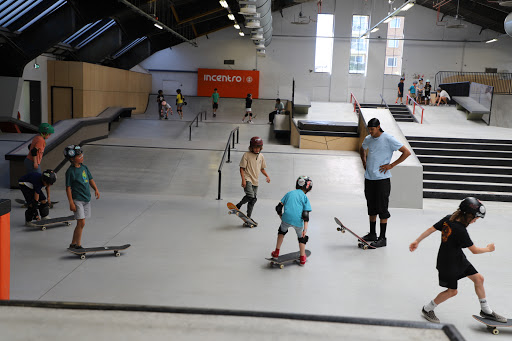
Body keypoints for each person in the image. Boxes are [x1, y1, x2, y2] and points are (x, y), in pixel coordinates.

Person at [409, 197, 507, 324]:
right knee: (452, 291)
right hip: (448, 264)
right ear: (468, 215)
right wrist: (488, 249)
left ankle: (486, 311)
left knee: (479, 279)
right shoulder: (460, 230)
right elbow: (474, 250)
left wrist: (417, 240)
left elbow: (431, 229)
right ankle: (428, 309)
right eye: (475, 218)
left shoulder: (449, 218)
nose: (475, 221)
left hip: (457, 258)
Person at [359, 118, 411, 248]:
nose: (370, 131)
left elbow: (406, 152)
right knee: (371, 207)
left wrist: (392, 165)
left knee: (382, 208)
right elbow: (362, 149)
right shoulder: (368, 139)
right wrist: (364, 162)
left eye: (372, 129)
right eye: (369, 129)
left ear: (379, 127)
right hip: (369, 178)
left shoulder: (388, 138)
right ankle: (372, 234)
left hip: (382, 180)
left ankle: (382, 238)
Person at [64, 145, 100, 250]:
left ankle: (73, 244)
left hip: (86, 199)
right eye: (79, 156)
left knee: (81, 224)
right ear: (71, 158)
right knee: (81, 222)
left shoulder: (84, 168)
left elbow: (90, 179)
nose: (82, 157)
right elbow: (68, 188)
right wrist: (71, 202)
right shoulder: (70, 172)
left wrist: (96, 189)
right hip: (77, 200)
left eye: (82, 155)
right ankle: (78, 245)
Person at [271, 176, 312, 265]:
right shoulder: (304, 197)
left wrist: (282, 217)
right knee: (301, 238)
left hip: (286, 219)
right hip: (298, 222)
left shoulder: (289, 193)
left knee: (281, 232)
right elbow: (305, 215)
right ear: (308, 187)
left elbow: (278, 208)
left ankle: (276, 253)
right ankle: (302, 258)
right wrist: (305, 230)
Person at [235, 136, 270, 225]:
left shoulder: (261, 156)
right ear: (251, 147)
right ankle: (238, 205)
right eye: (255, 147)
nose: (256, 149)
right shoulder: (246, 155)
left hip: (255, 181)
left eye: (258, 147)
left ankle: (248, 218)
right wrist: (243, 180)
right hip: (247, 178)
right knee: (251, 196)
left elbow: (262, 168)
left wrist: (267, 176)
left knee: (252, 200)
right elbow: (242, 168)